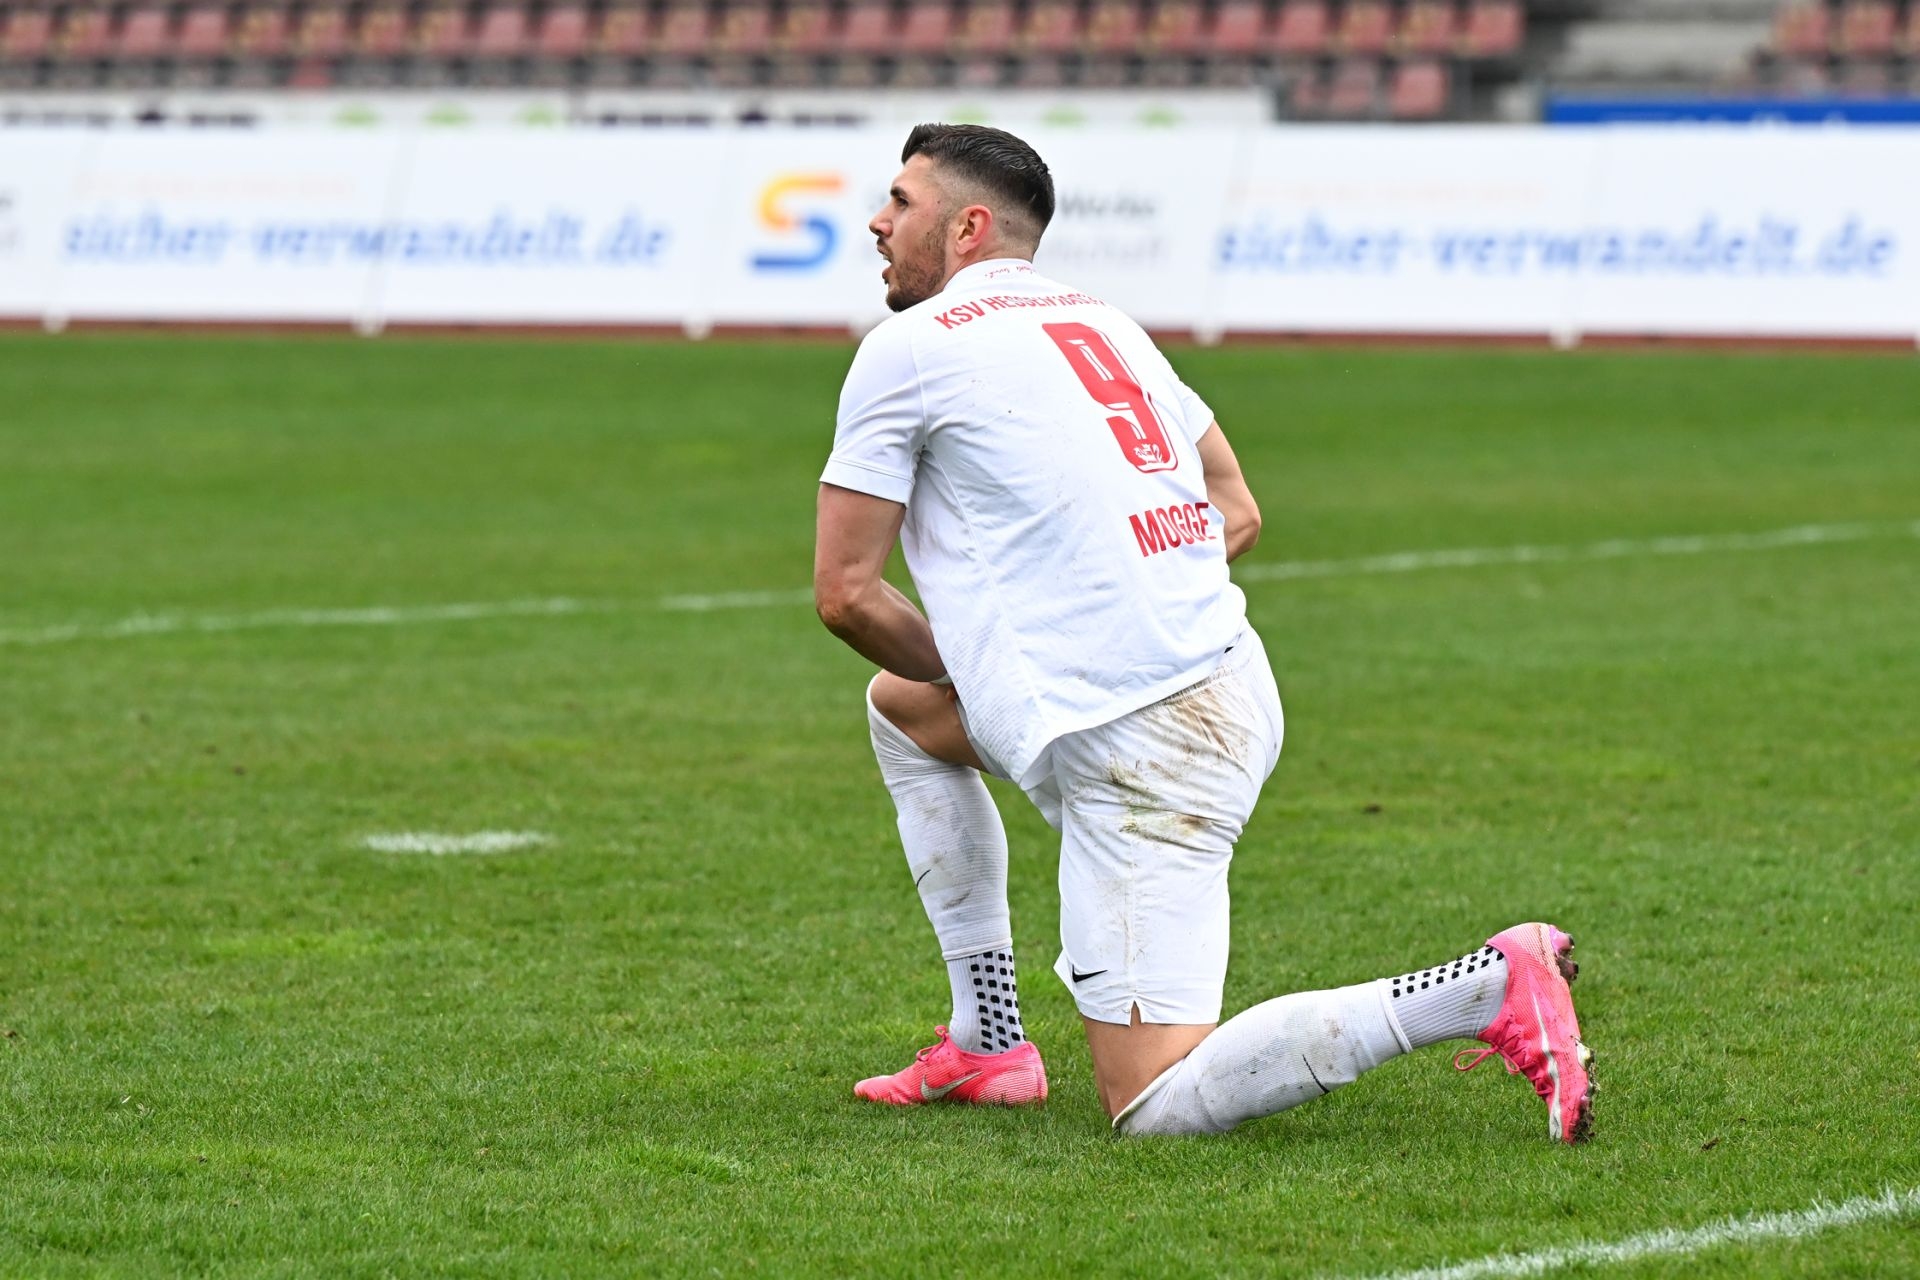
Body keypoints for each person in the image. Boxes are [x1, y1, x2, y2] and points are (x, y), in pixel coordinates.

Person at [812, 123, 1594, 1139]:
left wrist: (1009, 654)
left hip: (1145, 743)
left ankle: (1485, 986)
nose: (878, 221)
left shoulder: (908, 349)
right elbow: (1238, 507)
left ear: (966, 228)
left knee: (1153, 1104)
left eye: (901, 201)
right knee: (904, 710)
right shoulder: (1105, 322)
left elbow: (847, 594)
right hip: (1229, 685)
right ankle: (988, 1037)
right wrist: (1109, 598)